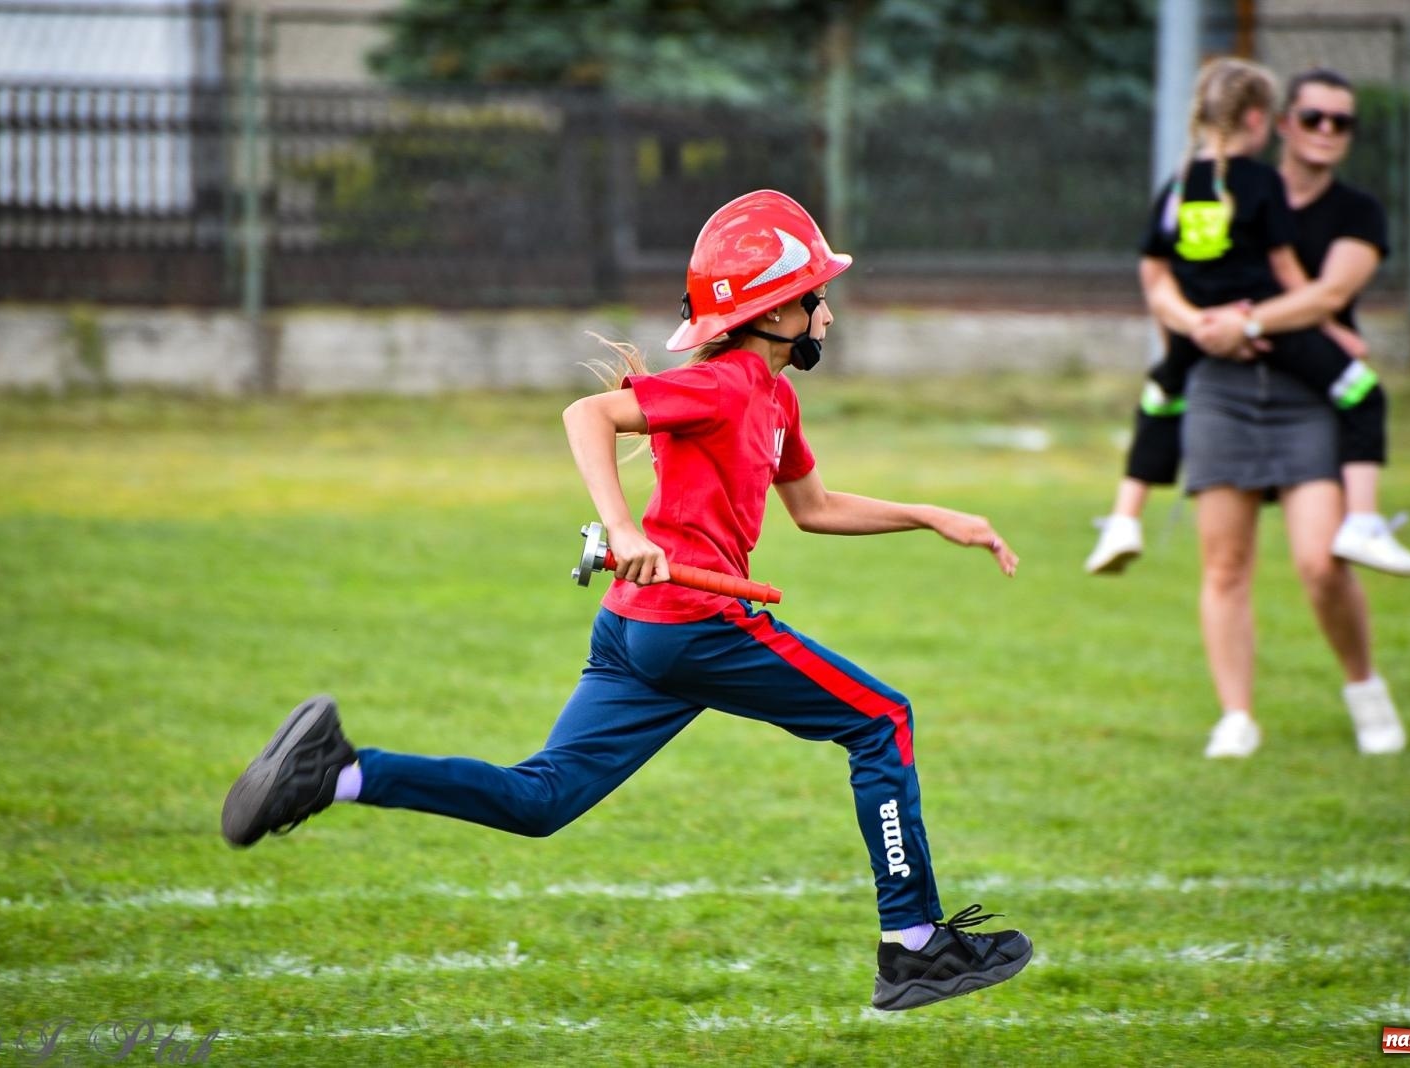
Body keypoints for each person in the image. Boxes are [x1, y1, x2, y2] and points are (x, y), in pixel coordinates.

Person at [220, 190, 1034, 1011]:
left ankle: (340, 774)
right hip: (693, 626)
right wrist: (622, 526)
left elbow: (813, 508)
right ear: (780, 310)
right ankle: (916, 944)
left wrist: (930, 517)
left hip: (639, 633)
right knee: (880, 720)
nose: (827, 312)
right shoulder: (722, 385)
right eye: (816, 296)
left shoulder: (775, 400)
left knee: (540, 801)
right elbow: (588, 414)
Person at [1118, 58, 1408, 757]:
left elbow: (1324, 297)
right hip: (1222, 392)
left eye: (1343, 121)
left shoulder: (1353, 212)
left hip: (1304, 397)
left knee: (1319, 562)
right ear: (1276, 123)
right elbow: (1162, 273)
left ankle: (1364, 686)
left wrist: (1240, 323)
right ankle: (1237, 716)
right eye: (1314, 117)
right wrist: (1191, 325)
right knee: (1225, 565)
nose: (1328, 131)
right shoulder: (1227, 191)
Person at [1085, 68, 1410, 580]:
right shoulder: (1262, 182)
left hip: (1196, 326)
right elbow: (1285, 268)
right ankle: (1363, 521)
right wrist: (1329, 327)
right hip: (1263, 322)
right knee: (1361, 391)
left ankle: (1123, 519)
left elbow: (1156, 273)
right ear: (1259, 119)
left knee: (1159, 399)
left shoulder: (1180, 186)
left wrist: (1192, 323)